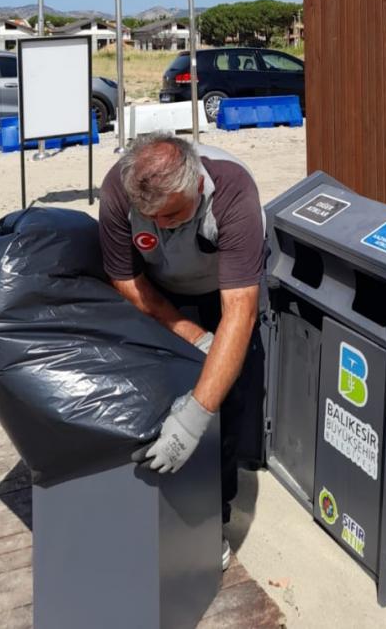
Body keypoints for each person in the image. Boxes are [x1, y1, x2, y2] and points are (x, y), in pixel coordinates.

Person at [99, 133, 265, 571]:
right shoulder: (119, 188)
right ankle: (151, 512)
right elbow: (126, 280)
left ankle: (214, 525)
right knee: (157, 398)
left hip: (223, 293)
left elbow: (240, 309)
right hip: (156, 296)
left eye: (173, 214)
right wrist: (189, 333)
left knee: (220, 413)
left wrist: (195, 418)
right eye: (151, 217)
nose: (163, 225)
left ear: (195, 185)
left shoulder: (234, 193)